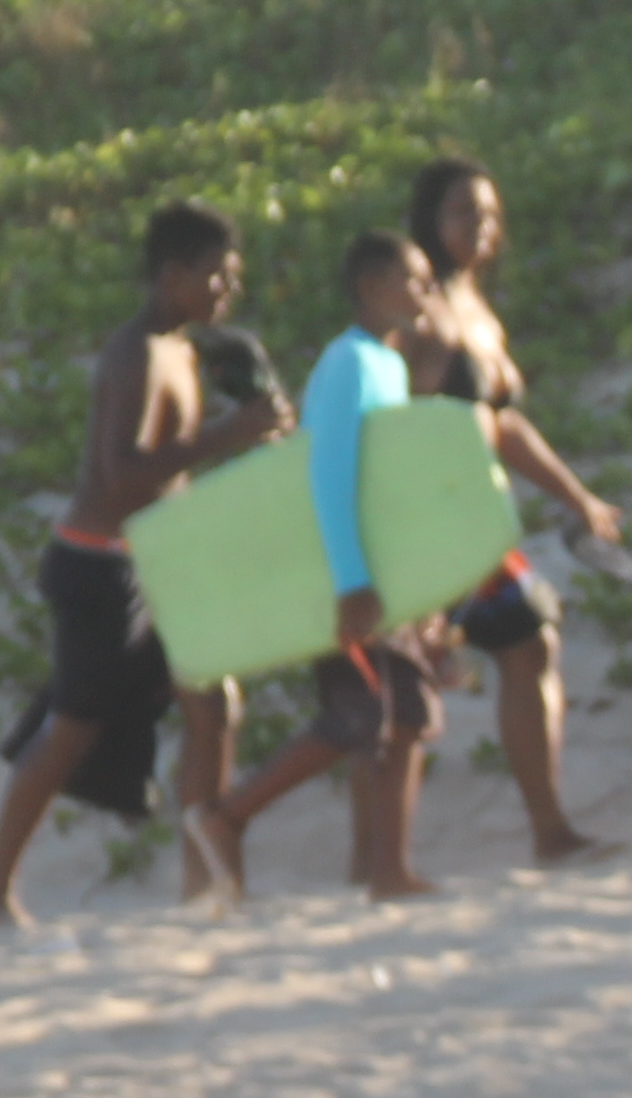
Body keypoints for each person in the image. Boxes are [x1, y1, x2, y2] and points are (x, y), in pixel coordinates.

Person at [0, 203, 283, 926]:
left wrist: (246, 431)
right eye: (217, 278)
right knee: (72, 727)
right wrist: (226, 435)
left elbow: (168, 474)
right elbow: (120, 476)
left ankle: (204, 884)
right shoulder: (134, 354)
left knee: (213, 706)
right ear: (173, 277)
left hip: (158, 561)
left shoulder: (183, 348)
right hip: (103, 567)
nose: (227, 293)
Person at [185, 232, 452, 907]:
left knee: (406, 715)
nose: (425, 292)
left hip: (381, 574)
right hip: (346, 574)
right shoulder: (351, 364)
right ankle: (226, 816)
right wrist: (350, 580)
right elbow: (329, 474)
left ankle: (390, 869)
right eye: (412, 279)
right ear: (371, 287)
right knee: (360, 713)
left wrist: (419, 591)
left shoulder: (388, 365)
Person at [402, 157, 627, 866]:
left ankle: (549, 829)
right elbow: (387, 429)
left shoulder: (476, 309)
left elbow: (502, 425)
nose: (483, 227)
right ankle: (374, 858)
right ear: (430, 222)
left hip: (479, 525)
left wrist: (577, 497)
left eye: (490, 214)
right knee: (403, 686)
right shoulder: (415, 314)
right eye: (466, 213)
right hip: (432, 525)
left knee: (529, 644)